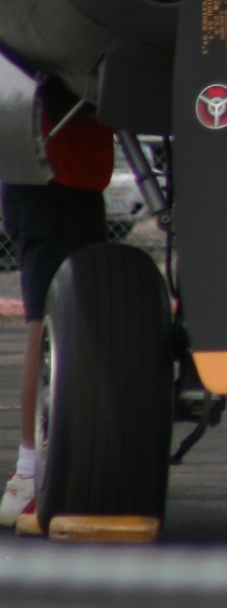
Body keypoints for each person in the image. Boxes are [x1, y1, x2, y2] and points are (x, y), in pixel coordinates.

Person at [1, 96, 114, 536]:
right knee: (47, 325)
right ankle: (27, 472)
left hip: (64, 178)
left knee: (59, 322)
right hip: (54, 177)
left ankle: (35, 468)